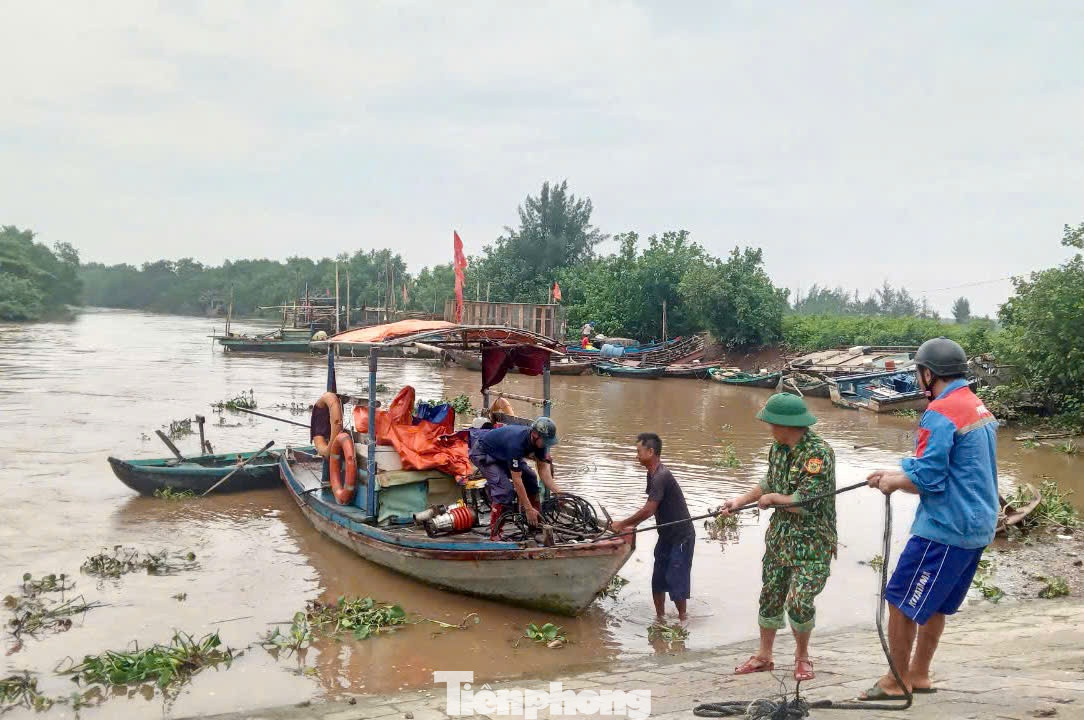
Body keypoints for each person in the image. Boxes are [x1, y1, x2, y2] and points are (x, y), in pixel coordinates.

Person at [861, 337, 998, 700]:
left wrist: (894, 481)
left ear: (927, 374)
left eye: (919, 373)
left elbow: (929, 479)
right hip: (978, 524)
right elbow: (954, 469)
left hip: (945, 527)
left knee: (899, 600)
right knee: (935, 603)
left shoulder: (940, 411)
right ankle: (919, 674)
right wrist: (894, 476)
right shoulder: (976, 406)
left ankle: (896, 680)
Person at [717, 393, 836, 683]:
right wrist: (740, 501)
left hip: (812, 541)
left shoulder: (818, 453)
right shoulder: (778, 448)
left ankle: (802, 657)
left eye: (772, 423)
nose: (769, 429)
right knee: (770, 595)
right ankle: (764, 656)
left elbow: (806, 501)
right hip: (780, 538)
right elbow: (768, 482)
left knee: (799, 600)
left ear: (786, 424)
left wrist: (773, 499)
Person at [611, 433, 694, 624]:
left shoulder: (661, 476)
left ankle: (683, 621)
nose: (636, 455)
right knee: (658, 578)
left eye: (639, 451)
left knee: (676, 578)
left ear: (651, 451)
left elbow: (649, 510)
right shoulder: (651, 474)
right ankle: (660, 619)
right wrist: (628, 525)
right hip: (666, 534)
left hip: (681, 536)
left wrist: (623, 524)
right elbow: (652, 508)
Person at [468, 417, 561, 539]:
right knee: (504, 490)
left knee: (531, 479)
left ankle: (534, 522)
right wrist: (528, 508)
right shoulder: (516, 444)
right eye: (545, 441)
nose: (546, 444)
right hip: (484, 453)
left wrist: (559, 493)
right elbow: (517, 480)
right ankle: (495, 533)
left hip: (504, 454)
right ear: (535, 434)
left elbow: (543, 471)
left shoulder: (540, 443)